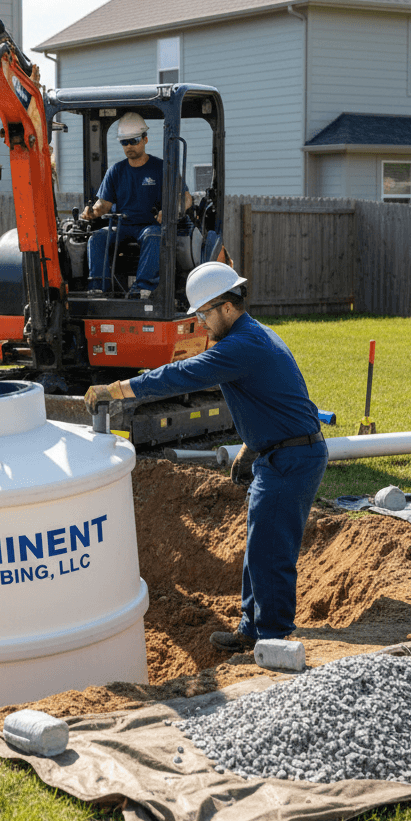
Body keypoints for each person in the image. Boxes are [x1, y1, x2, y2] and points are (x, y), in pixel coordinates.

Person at [84, 262, 328, 652]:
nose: (200, 323)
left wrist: (119, 388)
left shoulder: (243, 346)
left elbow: (180, 375)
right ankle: (252, 630)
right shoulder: (254, 338)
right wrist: (252, 445)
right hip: (281, 452)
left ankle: (274, 641)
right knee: (259, 546)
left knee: (271, 552)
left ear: (227, 307)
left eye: (203, 314)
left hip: (291, 459)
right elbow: (277, 400)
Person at [80, 112, 190, 298]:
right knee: (97, 238)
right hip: (122, 226)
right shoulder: (116, 171)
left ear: (145, 139)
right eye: (124, 142)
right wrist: (93, 212)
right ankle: (99, 288)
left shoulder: (162, 168)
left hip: (150, 226)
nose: (129, 146)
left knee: (154, 234)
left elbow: (186, 198)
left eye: (134, 140)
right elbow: (104, 204)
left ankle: (142, 289)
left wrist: (172, 210)